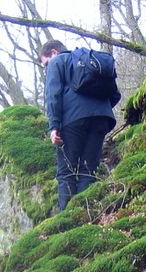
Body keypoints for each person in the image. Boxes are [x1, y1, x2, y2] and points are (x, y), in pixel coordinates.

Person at [38, 40, 121, 210]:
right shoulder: (89, 61)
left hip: (73, 120)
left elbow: (53, 95)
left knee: (66, 172)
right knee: (88, 170)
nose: (47, 67)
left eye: (46, 63)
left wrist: (54, 127)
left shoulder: (58, 62)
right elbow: (115, 95)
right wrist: (97, 110)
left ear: (54, 53)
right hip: (101, 118)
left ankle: (66, 224)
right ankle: (85, 214)